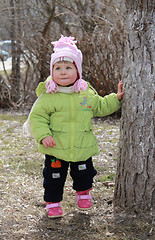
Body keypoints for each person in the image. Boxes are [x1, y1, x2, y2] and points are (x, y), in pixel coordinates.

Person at [27, 35, 124, 218]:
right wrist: (43, 135)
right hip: (56, 147)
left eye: (68, 67)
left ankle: (84, 194)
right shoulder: (49, 96)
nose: (63, 72)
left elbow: (101, 106)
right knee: (53, 177)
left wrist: (116, 99)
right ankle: (53, 203)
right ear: (52, 70)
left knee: (84, 174)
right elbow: (37, 117)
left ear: (77, 70)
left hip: (82, 145)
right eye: (58, 68)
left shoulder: (84, 93)